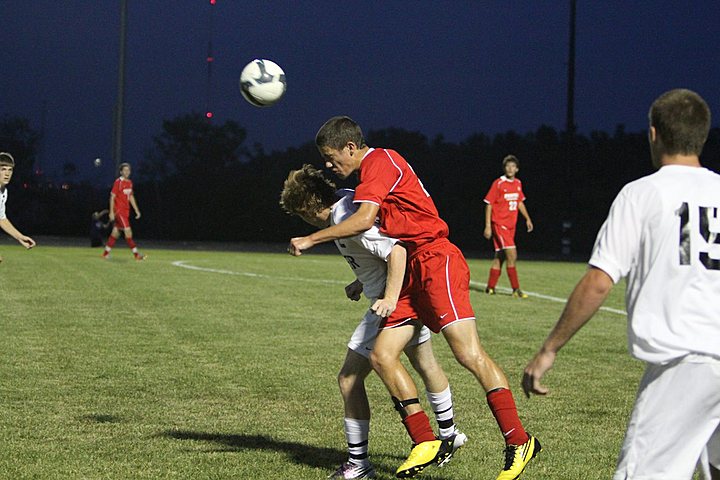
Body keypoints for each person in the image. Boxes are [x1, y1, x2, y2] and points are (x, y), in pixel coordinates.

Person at [289, 117, 540, 480]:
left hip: (436, 259)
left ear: (350, 147)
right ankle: (425, 440)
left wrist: (311, 239)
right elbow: (383, 236)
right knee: (381, 355)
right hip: (412, 272)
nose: (329, 165)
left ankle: (518, 440)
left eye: (330, 156)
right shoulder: (367, 175)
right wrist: (362, 282)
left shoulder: (380, 162)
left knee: (467, 353)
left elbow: (364, 221)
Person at [522, 89, 720, 480]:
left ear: (653, 134)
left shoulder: (643, 194)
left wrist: (549, 349)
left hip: (684, 362)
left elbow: (599, 281)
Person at [280, 164, 467, 479]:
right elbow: (374, 252)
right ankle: (449, 434)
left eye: (300, 214)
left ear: (309, 209)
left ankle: (365, 462)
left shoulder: (344, 217)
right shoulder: (346, 199)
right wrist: (361, 282)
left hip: (394, 300)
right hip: (408, 292)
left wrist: (390, 298)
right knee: (425, 363)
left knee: (350, 378)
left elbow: (395, 250)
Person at [483, 154, 533, 298]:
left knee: (500, 256)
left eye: (513, 166)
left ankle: (490, 287)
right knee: (512, 254)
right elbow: (489, 204)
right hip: (500, 224)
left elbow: (519, 202)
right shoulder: (498, 183)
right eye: (507, 166)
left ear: (517, 169)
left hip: (511, 226)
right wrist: (487, 226)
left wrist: (527, 219)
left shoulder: (518, 183)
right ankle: (516, 289)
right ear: (504, 168)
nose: (510, 168)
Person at [102, 162, 145, 260]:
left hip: (126, 212)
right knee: (128, 232)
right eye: (124, 170)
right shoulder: (118, 182)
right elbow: (112, 197)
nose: (127, 172)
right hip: (119, 211)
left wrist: (136, 210)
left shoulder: (129, 182)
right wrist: (111, 212)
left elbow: (130, 197)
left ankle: (105, 254)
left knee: (115, 233)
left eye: (128, 170)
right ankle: (136, 255)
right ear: (121, 172)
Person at [0, 152, 36, 263]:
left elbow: (1, 218)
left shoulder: (3, 192)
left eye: (10, 170)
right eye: (3, 169)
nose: (7, 173)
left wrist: (20, 237)